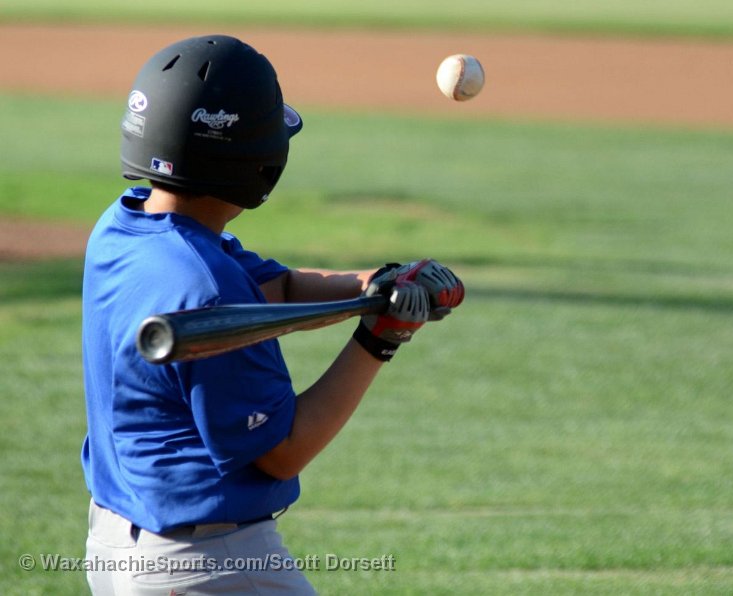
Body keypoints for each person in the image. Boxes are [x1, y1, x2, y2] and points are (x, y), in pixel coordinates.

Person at [80, 34, 464, 595]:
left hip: (118, 545)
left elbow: (276, 287)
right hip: (204, 565)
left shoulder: (127, 229)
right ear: (253, 161)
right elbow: (282, 452)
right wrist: (380, 339)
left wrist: (378, 283)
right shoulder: (206, 288)